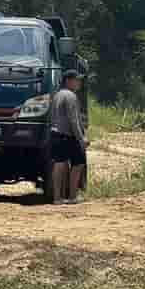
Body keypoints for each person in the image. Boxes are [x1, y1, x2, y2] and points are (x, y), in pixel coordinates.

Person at [49, 69, 88, 204]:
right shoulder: (71, 96)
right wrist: (81, 138)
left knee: (59, 164)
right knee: (78, 163)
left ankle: (57, 198)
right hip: (67, 135)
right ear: (68, 81)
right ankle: (72, 196)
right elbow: (74, 120)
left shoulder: (57, 95)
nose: (79, 82)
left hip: (55, 134)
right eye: (76, 80)